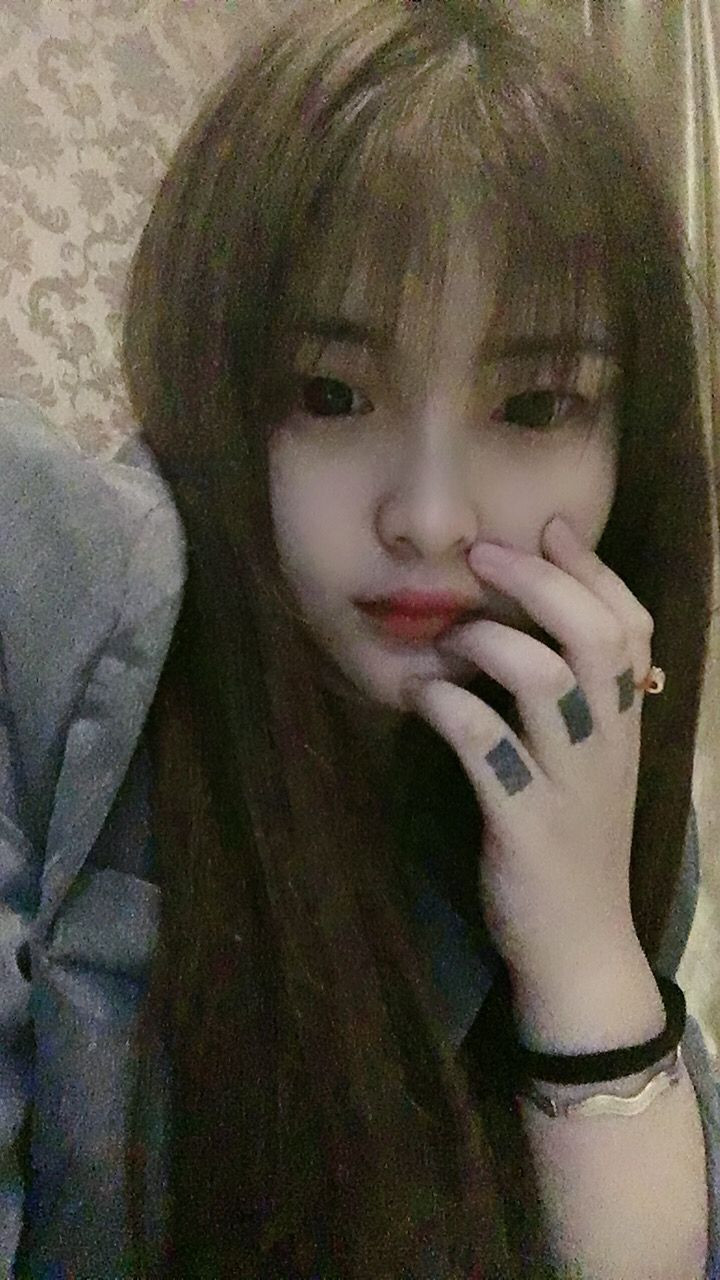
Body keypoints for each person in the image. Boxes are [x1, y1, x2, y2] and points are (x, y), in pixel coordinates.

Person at [0, 0, 718, 1276]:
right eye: (330, 394)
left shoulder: (574, 769)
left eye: (535, 403)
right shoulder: (53, 617)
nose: (431, 518)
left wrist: (588, 954)